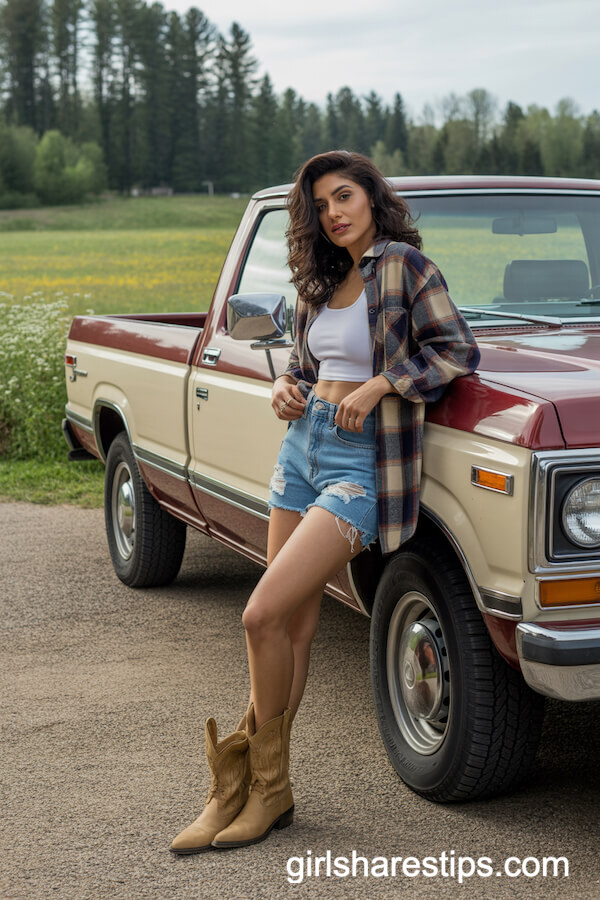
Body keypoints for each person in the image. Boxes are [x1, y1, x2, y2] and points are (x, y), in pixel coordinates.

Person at [170, 150, 480, 854]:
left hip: (361, 465)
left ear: (371, 196)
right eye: (321, 205)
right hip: (302, 449)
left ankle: (259, 785)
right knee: (293, 627)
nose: (334, 213)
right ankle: (247, 791)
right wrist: (287, 389)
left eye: (344, 196)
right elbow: (306, 366)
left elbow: (456, 350)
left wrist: (383, 384)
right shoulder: (321, 278)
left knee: (259, 614)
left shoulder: (405, 268)